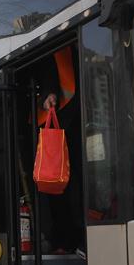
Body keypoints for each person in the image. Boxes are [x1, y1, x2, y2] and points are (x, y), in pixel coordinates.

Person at [32, 45, 84, 253]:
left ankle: (67, 238)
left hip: (68, 121)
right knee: (62, 184)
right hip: (62, 125)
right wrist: (48, 92)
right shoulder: (58, 46)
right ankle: (66, 238)